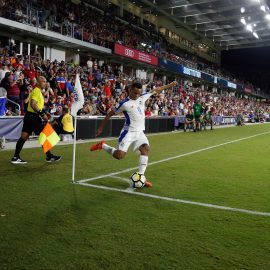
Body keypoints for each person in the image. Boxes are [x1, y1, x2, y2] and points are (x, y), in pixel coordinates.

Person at [90, 80, 178, 187]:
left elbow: (156, 90)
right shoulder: (124, 104)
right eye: (135, 92)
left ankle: (141, 177)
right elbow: (109, 114)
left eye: (139, 93)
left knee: (145, 149)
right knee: (119, 156)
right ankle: (103, 145)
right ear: (130, 90)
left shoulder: (142, 97)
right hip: (128, 133)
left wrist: (170, 85)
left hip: (139, 132)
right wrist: (100, 128)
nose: (137, 95)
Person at [11, 76, 61, 164]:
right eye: (43, 81)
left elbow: (37, 106)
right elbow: (33, 104)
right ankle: (49, 156)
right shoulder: (36, 91)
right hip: (33, 117)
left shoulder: (38, 92)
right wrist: (42, 114)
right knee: (44, 135)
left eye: (46, 81)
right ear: (38, 83)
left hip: (29, 117)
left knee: (23, 137)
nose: (45, 83)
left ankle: (15, 157)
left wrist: (45, 112)